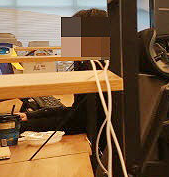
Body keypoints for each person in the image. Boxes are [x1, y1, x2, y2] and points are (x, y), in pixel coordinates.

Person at [18, 8, 108, 137]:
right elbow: (76, 112)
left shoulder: (98, 70)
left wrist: (23, 126)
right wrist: (30, 116)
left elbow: (79, 122)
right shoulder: (90, 65)